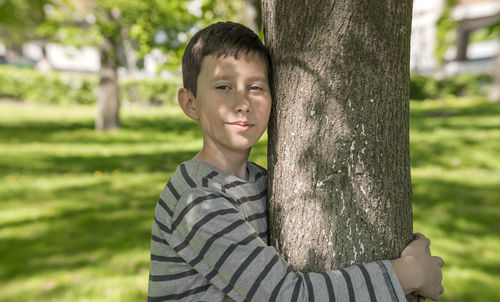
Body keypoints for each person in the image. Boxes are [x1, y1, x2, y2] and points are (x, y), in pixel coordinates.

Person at [147, 21, 444, 302]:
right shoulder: (199, 201)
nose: (242, 103)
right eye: (223, 86)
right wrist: (409, 273)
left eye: (256, 87)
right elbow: (287, 296)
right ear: (190, 102)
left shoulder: (262, 181)